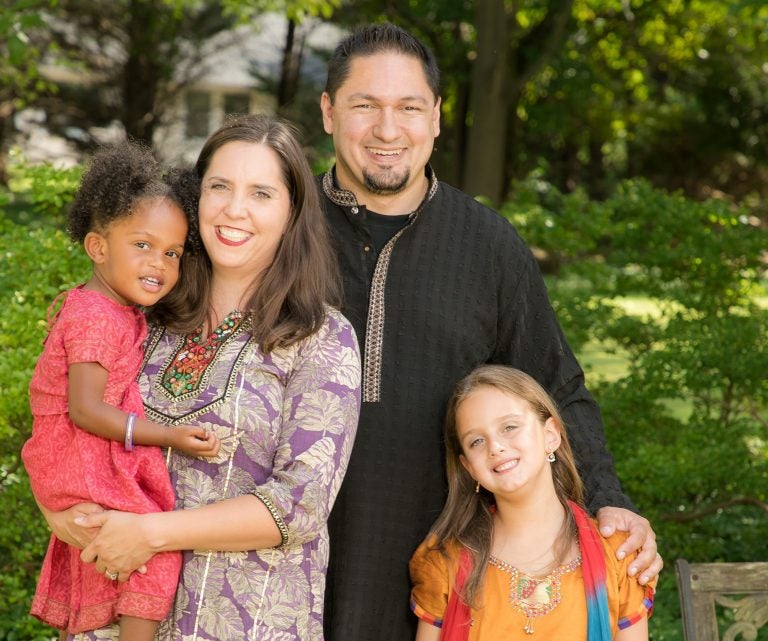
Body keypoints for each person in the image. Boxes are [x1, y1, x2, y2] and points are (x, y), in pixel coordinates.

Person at [316, 23, 662, 641]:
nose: (387, 129)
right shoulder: (284, 231)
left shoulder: (488, 246)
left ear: (438, 118)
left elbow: (556, 385)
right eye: (364, 105)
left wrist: (612, 500)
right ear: (328, 112)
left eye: (409, 108)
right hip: (292, 563)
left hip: (448, 576)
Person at [37, 114, 362, 641]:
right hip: (108, 613)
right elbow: (60, 412)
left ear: (291, 212)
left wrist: (151, 534)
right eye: (220, 187)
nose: (235, 210)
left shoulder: (321, 339)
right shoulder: (141, 313)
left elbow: (300, 504)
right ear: (197, 197)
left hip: (246, 620)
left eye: (261, 193)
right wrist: (55, 510)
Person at [21, 142, 221, 641]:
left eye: (172, 252)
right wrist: (169, 437)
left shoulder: (112, 308)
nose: (160, 263)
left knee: (98, 555)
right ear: (98, 247)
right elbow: (86, 410)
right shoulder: (96, 317)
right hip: (73, 449)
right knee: (155, 550)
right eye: (143, 245)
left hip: (69, 451)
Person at [410, 365, 656, 640]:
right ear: (467, 466)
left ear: (550, 434)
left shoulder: (617, 553)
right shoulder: (445, 560)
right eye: (477, 440)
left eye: (509, 427)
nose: (496, 446)